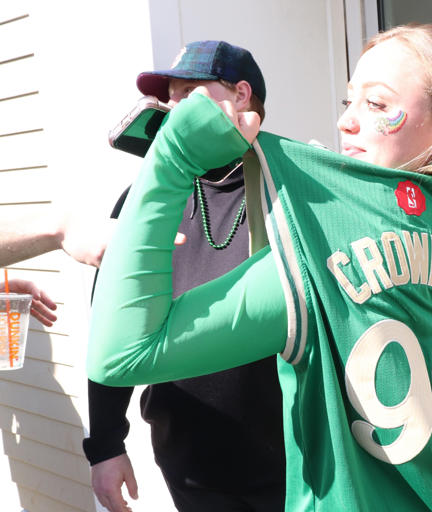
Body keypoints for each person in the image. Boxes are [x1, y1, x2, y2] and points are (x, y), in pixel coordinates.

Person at [87, 24, 432, 511]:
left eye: (378, 104)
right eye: (350, 102)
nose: (346, 122)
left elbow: (124, 353)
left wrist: (171, 157)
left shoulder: (317, 244)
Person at [82, 41, 285, 512]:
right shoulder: (149, 196)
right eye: (170, 98)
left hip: (294, 462)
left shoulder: (293, 185)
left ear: (241, 94)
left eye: (190, 94)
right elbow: (113, 318)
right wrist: (107, 445)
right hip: (191, 463)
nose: (172, 109)